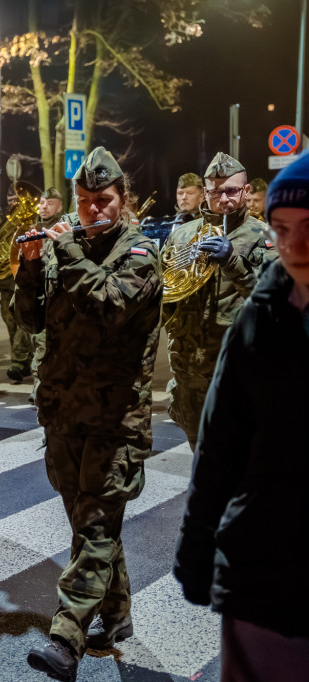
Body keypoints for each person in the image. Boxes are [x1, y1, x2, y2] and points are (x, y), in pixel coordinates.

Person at [15, 147, 162, 681]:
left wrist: (67, 250)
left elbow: (108, 305)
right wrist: (32, 267)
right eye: (83, 202)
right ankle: (116, 615)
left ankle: (67, 636)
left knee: (95, 529)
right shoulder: (66, 250)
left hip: (114, 418)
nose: (92, 210)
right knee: (88, 525)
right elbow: (30, 321)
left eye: (103, 201)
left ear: (123, 200)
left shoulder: (140, 253)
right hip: (63, 410)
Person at [174, 154, 309, 680]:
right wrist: (197, 552)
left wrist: (231, 259)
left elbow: (252, 280)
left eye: (307, 228)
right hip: (259, 569)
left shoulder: (254, 248)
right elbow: (218, 456)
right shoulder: (258, 322)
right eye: (284, 230)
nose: (295, 246)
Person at [162, 153, 275, 450]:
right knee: (201, 464)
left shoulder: (265, 237)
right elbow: (166, 296)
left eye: (231, 191)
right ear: (205, 192)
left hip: (239, 376)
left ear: (246, 191)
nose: (223, 199)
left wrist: (233, 262)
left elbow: (273, 306)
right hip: (188, 375)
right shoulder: (182, 235)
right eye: (215, 192)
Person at [0, 189, 32, 382]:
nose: (12, 202)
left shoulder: (30, 218)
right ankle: (24, 361)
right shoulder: (3, 217)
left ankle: (18, 362)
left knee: (22, 322)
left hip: (23, 279)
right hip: (5, 282)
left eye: (15, 199)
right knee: (10, 322)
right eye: (9, 199)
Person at [27, 188, 64, 401]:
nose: (44, 207)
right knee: (38, 342)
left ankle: (42, 386)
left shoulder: (63, 229)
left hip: (56, 296)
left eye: (49, 203)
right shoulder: (33, 228)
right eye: (42, 202)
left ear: (59, 207)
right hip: (38, 295)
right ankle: (39, 385)